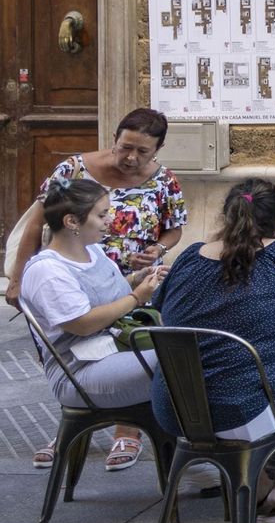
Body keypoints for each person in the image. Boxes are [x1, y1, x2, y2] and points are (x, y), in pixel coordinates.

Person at [151, 178, 275, 523]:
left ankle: (259, 489)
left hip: (177, 411)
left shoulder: (189, 258)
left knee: (244, 391)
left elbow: (166, 319)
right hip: (247, 410)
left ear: (226, 215)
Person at [7, 107, 188, 472]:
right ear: (115, 139)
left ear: (158, 150)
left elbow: (174, 227)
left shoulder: (164, 180)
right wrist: (17, 276)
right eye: (125, 148)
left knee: (138, 346)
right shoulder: (73, 171)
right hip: (71, 278)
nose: (131, 158)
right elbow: (38, 221)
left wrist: (156, 253)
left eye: (143, 153)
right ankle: (78, 425)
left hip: (114, 277)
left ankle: (132, 428)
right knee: (75, 349)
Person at [20, 179, 166, 429]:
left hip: (117, 349)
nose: (109, 220)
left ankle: (188, 445)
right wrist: (137, 297)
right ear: (72, 222)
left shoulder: (93, 251)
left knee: (191, 354)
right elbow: (83, 324)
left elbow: (108, 294)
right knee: (178, 364)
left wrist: (136, 280)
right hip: (80, 371)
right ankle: (198, 447)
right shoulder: (47, 271)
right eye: (101, 215)